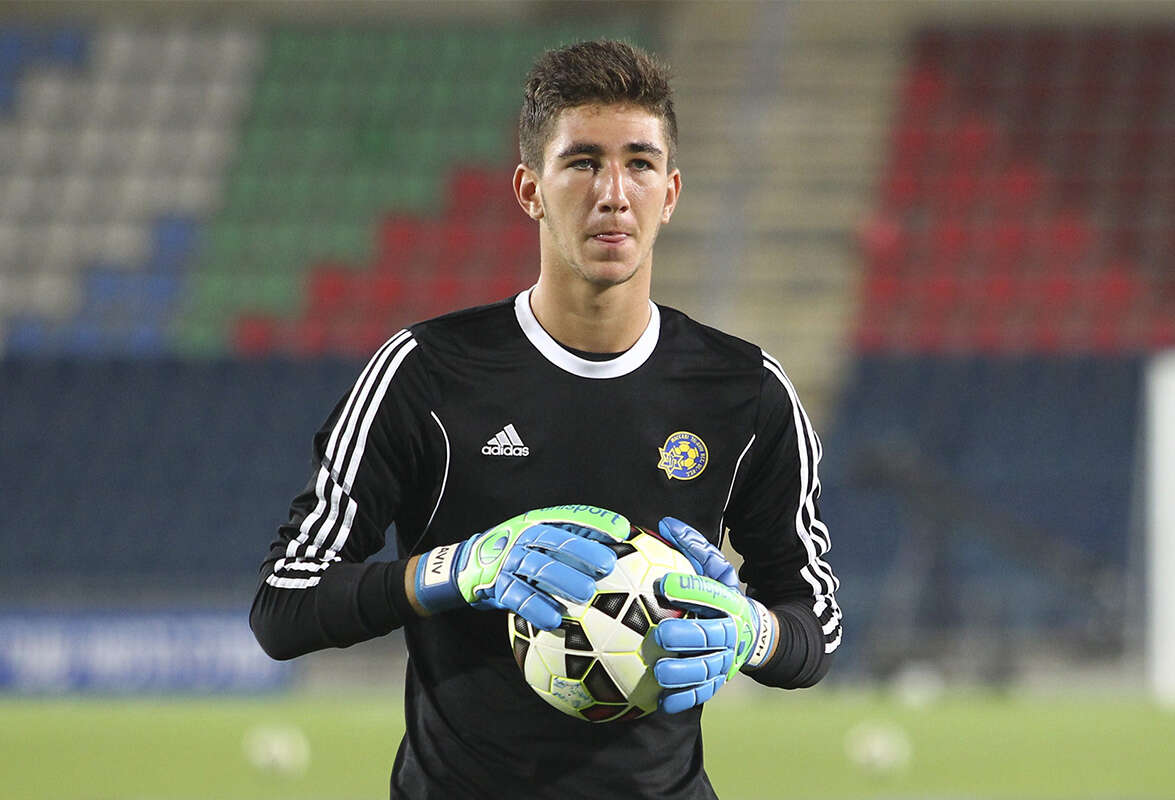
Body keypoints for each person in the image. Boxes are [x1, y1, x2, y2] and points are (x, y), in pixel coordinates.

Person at [250, 39, 841, 799]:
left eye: (639, 163)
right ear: (529, 189)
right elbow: (284, 604)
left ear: (670, 193)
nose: (613, 193)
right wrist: (458, 569)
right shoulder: (425, 374)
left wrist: (750, 631)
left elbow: (814, 622)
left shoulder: (745, 392)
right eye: (583, 162)